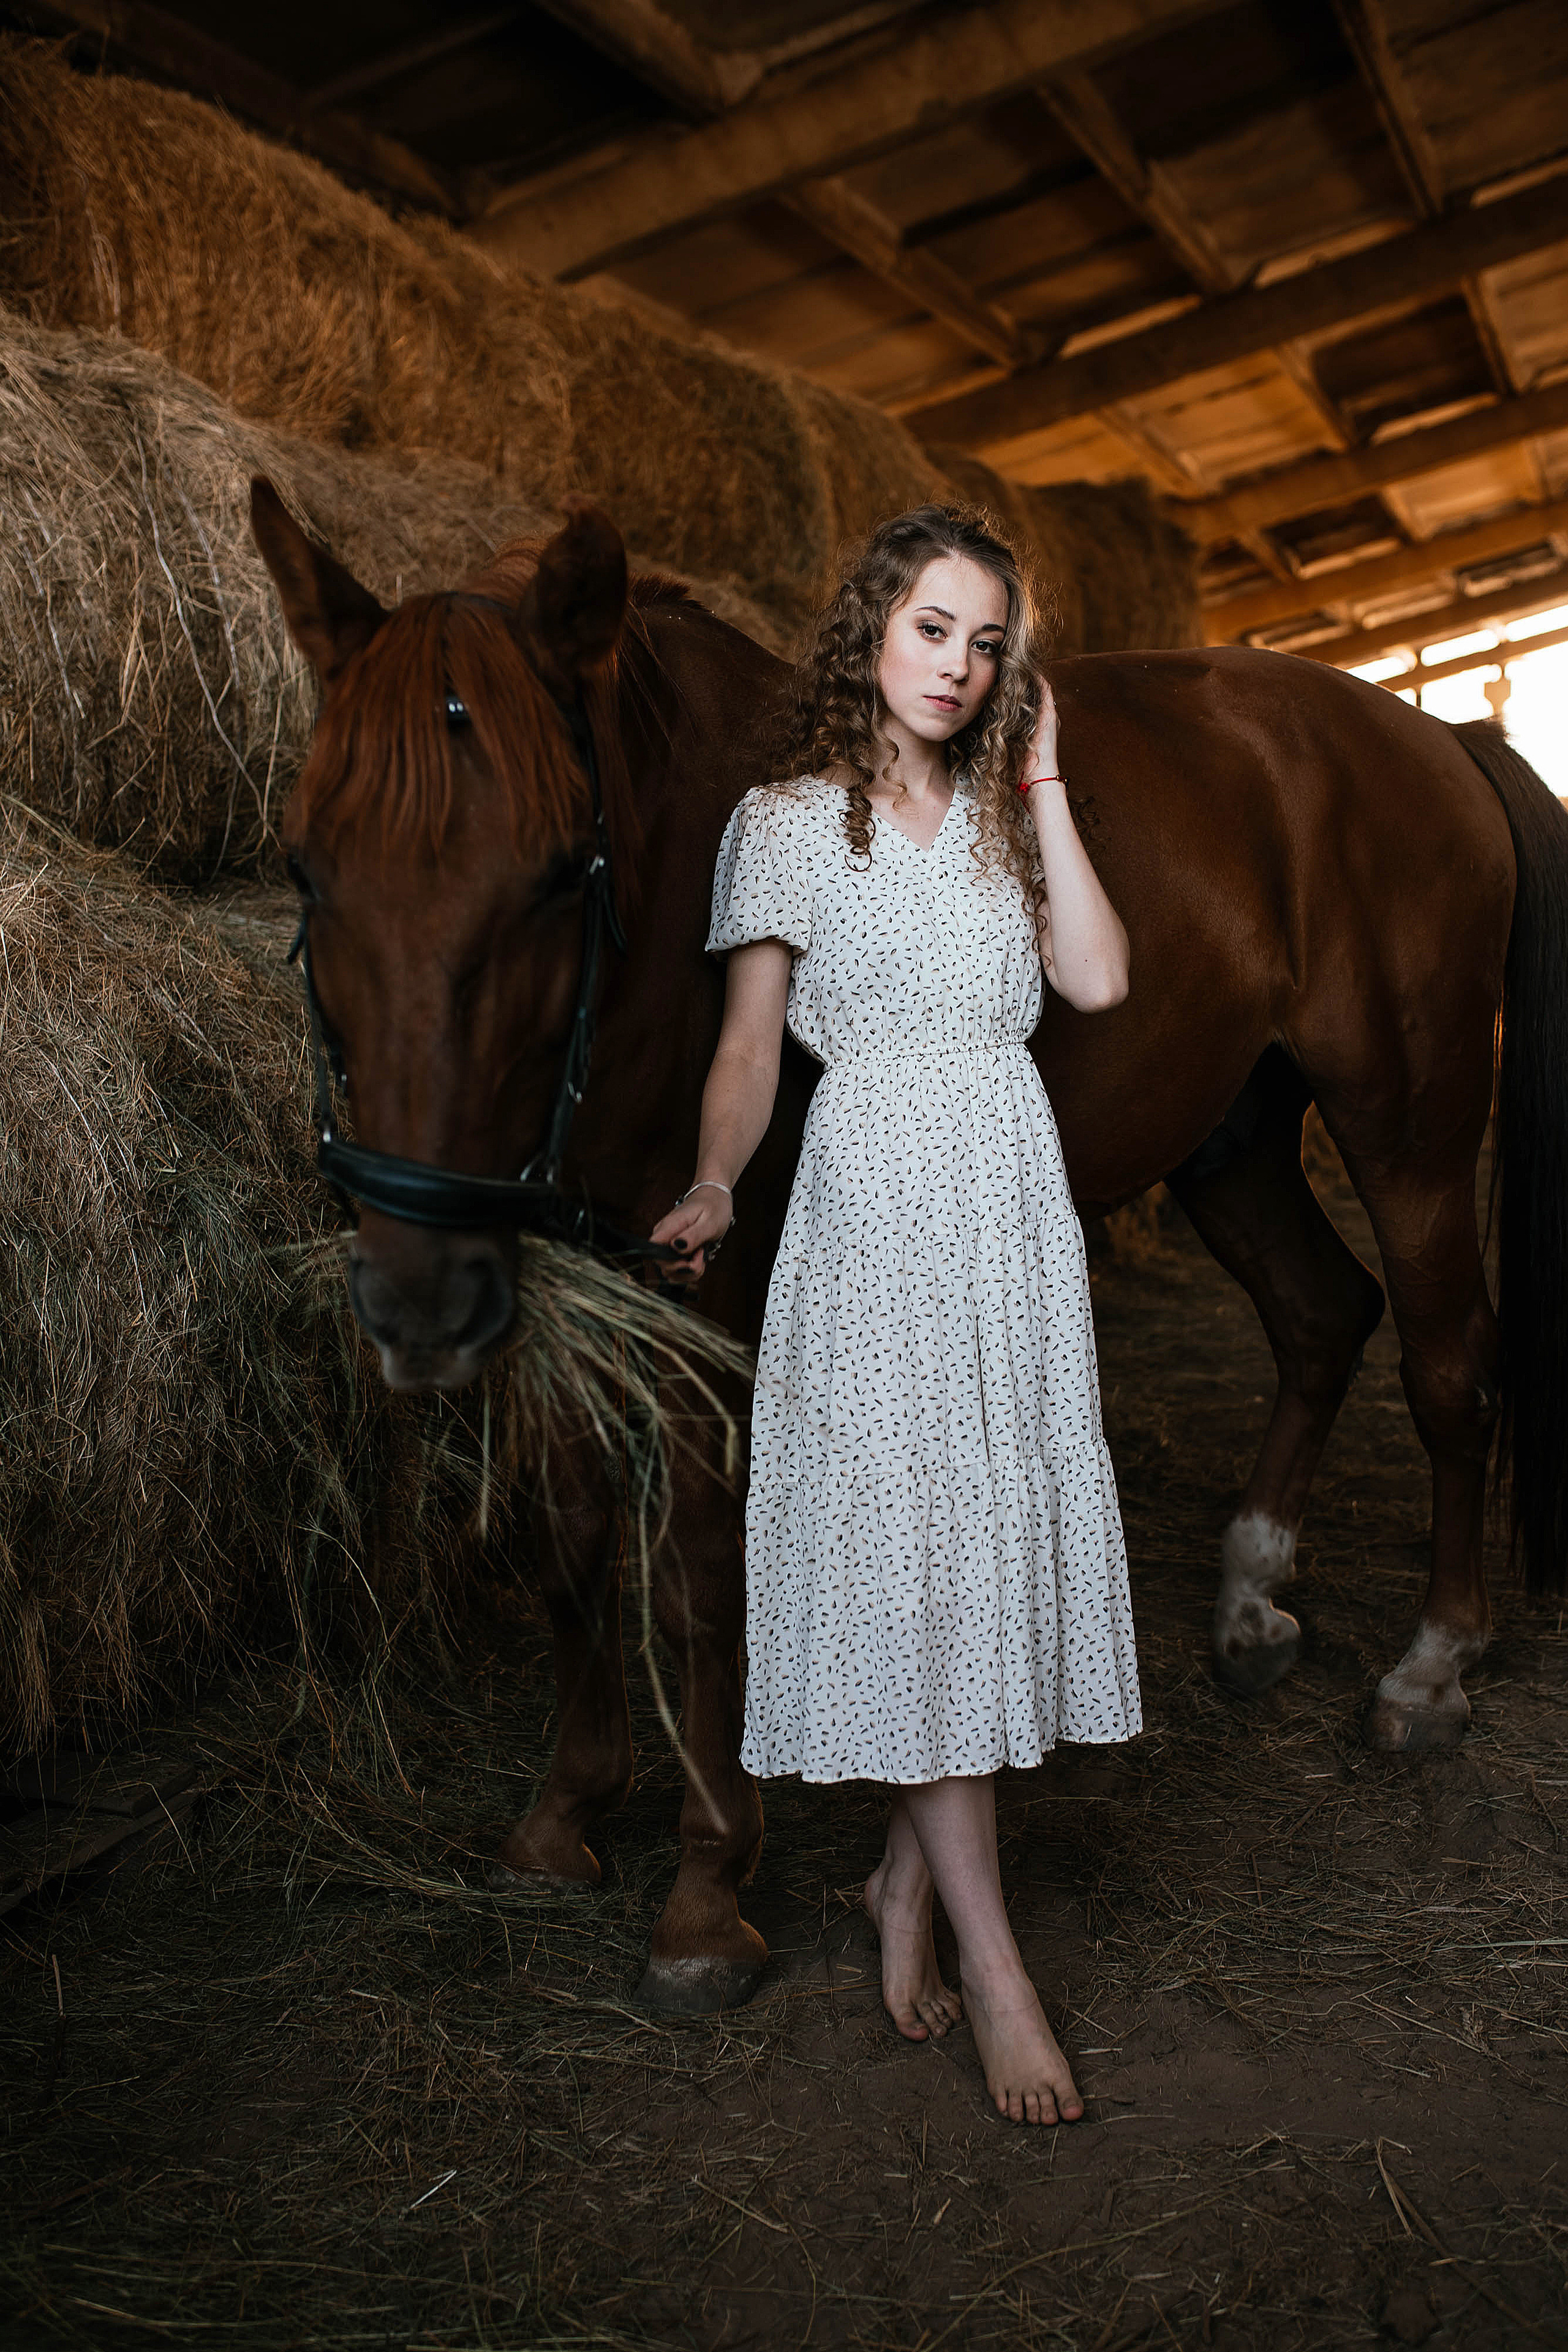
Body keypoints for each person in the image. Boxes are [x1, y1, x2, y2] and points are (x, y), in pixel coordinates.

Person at [650, 506, 1140, 2126]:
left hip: (1007, 1217)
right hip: (870, 1217)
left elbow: (1097, 986)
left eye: (987, 643)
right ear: (873, 624)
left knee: (975, 1565)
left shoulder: (1006, 823)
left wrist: (1048, 778)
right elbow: (744, 1046)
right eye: (935, 628)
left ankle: (902, 1887)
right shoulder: (785, 822)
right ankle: (1004, 1978)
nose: (958, 664)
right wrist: (721, 1180)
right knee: (918, 1563)